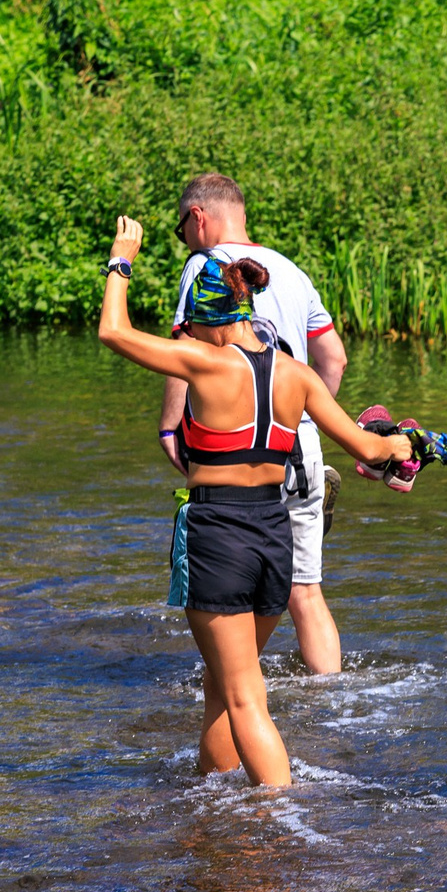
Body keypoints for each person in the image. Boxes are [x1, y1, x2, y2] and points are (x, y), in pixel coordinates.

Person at [99, 216, 423, 785]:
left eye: (194, 328)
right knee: (223, 684)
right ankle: (212, 798)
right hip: (275, 535)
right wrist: (408, 444)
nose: (191, 338)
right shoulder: (298, 375)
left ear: (213, 322)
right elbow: (371, 448)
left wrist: (121, 260)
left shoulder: (205, 362)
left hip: (218, 534)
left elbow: (114, 332)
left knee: (245, 696)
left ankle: (283, 815)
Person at [158, 173, 352, 674]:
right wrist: (300, 417)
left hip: (237, 450)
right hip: (301, 442)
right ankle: (333, 703)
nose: (185, 239)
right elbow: (334, 360)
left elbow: (187, 350)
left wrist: (170, 430)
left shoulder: (205, 265)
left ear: (197, 217)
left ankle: (236, 693)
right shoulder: (292, 270)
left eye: (181, 230)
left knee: (229, 589)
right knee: (306, 590)